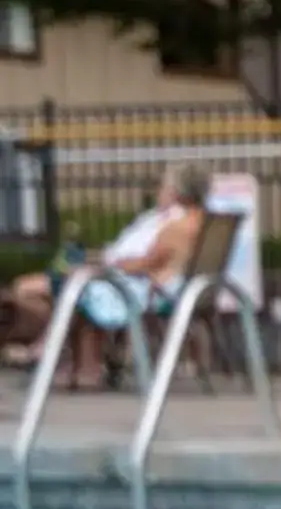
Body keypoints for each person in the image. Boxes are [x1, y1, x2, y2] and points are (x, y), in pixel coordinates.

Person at [4, 164, 212, 384]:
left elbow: (145, 263)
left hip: (153, 293)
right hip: (175, 289)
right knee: (81, 285)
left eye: (163, 186)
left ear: (176, 191)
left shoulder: (176, 226)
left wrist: (108, 265)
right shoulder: (201, 221)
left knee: (80, 287)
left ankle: (57, 352)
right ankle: (82, 365)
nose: (159, 191)